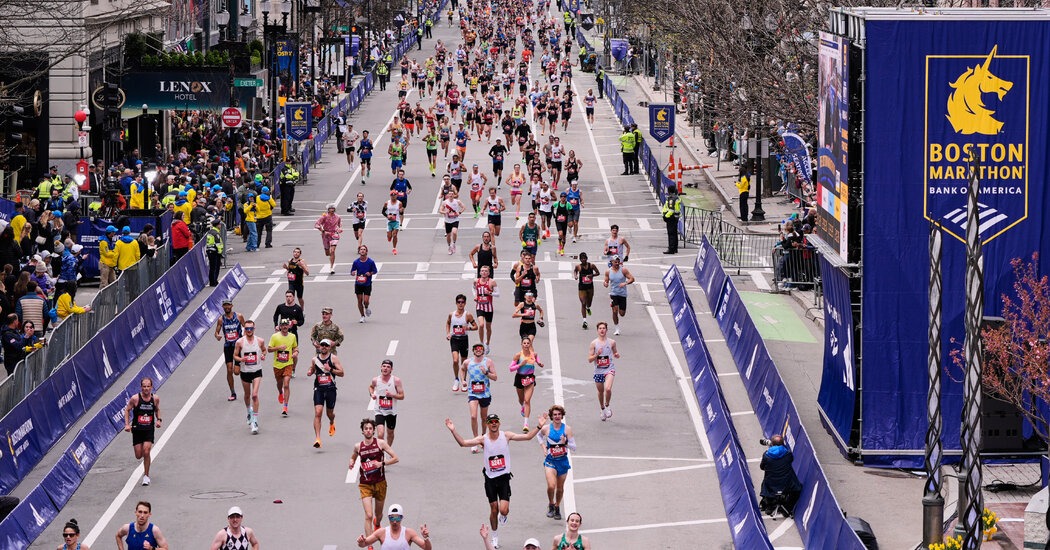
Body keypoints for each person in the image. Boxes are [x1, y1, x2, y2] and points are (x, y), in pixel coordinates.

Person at [445, 413, 547, 550]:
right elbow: (463, 443)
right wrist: (453, 431)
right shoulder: (483, 439)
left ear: (499, 423)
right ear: (487, 424)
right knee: (494, 509)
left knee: (503, 510)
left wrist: (539, 426)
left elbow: (527, 437)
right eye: (491, 422)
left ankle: (502, 515)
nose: (493, 424)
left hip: (504, 478)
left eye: (496, 421)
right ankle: (494, 537)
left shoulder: (506, 436)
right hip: (490, 479)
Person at [350, 418, 400, 542]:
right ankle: (369, 543)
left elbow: (396, 458)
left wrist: (382, 463)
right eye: (365, 429)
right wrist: (351, 462)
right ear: (362, 431)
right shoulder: (358, 446)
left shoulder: (380, 443)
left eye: (370, 429)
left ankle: (377, 524)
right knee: (369, 515)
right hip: (365, 484)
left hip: (380, 483)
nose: (368, 431)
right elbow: (353, 457)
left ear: (373, 431)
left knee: (378, 515)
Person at [538, 404, 576, 520]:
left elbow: (574, 447)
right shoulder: (546, 429)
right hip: (550, 461)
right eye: (555, 414)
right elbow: (539, 436)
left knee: (559, 488)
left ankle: (557, 506)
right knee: (551, 486)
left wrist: (565, 443)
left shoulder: (567, 429)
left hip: (563, 462)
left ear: (562, 415)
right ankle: (551, 504)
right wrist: (544, 447)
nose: (557, 416)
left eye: (559, 414)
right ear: (551, 416)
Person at [461, 343, 497, 452]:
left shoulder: (488, 362)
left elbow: (495, 377)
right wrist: (462, 380)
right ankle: (476, 440)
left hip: (485, 393)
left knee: (484, 418)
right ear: (473, 351)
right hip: (473, 393)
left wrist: (486, 372)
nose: (478, 350)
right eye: (476, 349)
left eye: (480, 349)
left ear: (483, 351)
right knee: (473, 416)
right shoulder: (468, 362)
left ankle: (483, 436)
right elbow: (462, 369)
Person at [124, 378, 161, 486]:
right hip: (137, 429)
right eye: (144, 386)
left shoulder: (155, 398)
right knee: (139, 455)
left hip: (149, 429)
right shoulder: (135, 399)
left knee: (146, 451)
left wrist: (159, 420)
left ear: (151, 387)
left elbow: (157, 409)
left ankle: (146, 476)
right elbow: (127, 410)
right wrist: (127, 424)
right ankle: (145, 472)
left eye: (148, 386)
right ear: (141, 387)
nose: (146, 389)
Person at [309, 339, 345, 447]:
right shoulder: (315, 359)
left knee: (329, 413)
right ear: (319, 346)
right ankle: (318, 439)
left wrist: (330, 369)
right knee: (318, 412)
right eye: (322, 345)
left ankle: (332, 421)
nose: (324, 347)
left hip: (330, 389)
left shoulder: (333, 358)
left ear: (329, 347)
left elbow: (342, 373)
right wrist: (310, 372)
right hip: (319, 389)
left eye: (326, 345)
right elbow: (312, 369)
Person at [233, 320, 266, 434]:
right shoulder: (240, 342)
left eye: (251, 328)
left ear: (254, 329)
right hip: (245, 371)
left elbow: (264, 350)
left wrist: (263, 355)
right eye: (247, 328)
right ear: (244, 329)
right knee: (247, 395)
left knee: (255, 395)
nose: (249, 330)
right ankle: (249, 411)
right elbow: (235, 356)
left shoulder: (260, 341)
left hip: (257, 371)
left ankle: (255, 420)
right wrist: (241, 359)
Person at [759, 435, 803, 517]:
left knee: (767, 480)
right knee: (798, 488)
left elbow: (762, 467)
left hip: (771, 485)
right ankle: (787, 507)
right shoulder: (788, 454)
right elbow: (790, 458)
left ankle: (769, 505)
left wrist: (768, 450)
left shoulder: (766, 455)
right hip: (786, 485)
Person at [355, 504, 431, 549]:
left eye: (397, 518)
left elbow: (427, 548)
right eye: (392, 518)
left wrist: (426, 538)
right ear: (388, 517)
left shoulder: (409, 533)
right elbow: (364, 544)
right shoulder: (381, 533)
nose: (395, 521)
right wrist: (361, 542)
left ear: (402, 518)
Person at [510, 335, 544, 432]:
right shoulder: (518, 355)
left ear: (530, 344)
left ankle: (526, 423)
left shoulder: (534, 354)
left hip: (530, 379)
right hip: (519, 378)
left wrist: (540, 364)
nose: (526, 345)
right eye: (524, 343)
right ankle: (522, 406)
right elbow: (510, 368)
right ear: (521, 344)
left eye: (528, 343)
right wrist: (520, 365)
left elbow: (538, 361)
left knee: (527, 400)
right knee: (521, 400)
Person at [214, 299, 245, 401]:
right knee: (229, 369)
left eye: (228, 305)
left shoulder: (239, 316)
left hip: (238, 346)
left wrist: (244, 336)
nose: (227, 307)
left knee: (236, 372)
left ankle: (246, 381)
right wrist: (217, 335)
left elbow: (246, 326)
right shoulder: (221, 319)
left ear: (232, 306)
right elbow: (216, 332)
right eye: (225, 306)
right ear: (223, 307)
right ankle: (233, 392)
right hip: (228, 346)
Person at [588, 322, 620, 420]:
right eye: (600, 328)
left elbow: (615, 352)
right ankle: (602, 409)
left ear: (606, 330)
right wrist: (597, 354)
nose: (602, 330)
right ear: (597, 330)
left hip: (609, 368)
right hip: (598, 370)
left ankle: (607, 405)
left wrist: (616, 355)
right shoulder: (594, 343)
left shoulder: (612, 342)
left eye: (603, 328)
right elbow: (590, 360)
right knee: (600, 391)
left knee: (608, 389)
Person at [447, 294, 479, 391]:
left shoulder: (468, 315)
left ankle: (463, 380)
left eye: (462, 302)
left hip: (464, 339)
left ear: (465, 303)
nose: (460, 304)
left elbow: (476, 326)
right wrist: (448, 333)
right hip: (454, 339)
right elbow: (448, 323)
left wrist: (468, 328)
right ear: (456, 303)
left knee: (464, 362)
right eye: (459, 302)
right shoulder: (451, 314)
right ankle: (456, 379)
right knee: (455, 360)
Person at [369, 359, 405, 444]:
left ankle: (388, 449)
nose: (385, 368)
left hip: (391, 412)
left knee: (390, 433)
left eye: (388, 367)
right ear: (381, 367)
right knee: (380, 434)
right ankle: (381, 452)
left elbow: (402, 396)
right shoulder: (375, 380)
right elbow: (371, 387)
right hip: (379, 410)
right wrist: (372, 394)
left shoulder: (396, 381)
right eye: (384, 366)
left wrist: (392, 395)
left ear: (391, 369)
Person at [268, 318, 298, 417]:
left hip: (288, 364)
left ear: (289, 326)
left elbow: (295, 347)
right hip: (277, 365)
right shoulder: (275, 337)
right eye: (283, 325)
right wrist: (278, 348)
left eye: (286, 325)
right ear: (280, 326)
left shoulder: (292, 336)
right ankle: (280, 392)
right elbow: (269, 349)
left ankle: (285, 406)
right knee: (279, 383)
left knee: (286, 384)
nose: (285, 327)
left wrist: (295, 353)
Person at [603, 256, 634, 334]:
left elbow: (632, 278)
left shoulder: (623, 270)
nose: (617, 263)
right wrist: (605, 283)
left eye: (618, 262)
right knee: (614, 310)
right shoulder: (608, 271)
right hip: (613, 293)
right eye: (615, 262)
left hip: (622, 294)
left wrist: (625, 283)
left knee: (622, 313)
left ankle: (618, 321)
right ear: (612, 262)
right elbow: (605, 281)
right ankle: (617, 329)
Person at [351, 245, 378, 323]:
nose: (362, 251)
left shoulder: (370, 262)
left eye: (364, 249)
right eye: (361, 249)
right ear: (359, 251)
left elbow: (375, 271)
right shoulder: (356, 262)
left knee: (365, 301)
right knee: (359, 300)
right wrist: (353, 273)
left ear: (366, 252)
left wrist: (370, 273)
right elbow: (352, 271)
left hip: (367, 283)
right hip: (358, 283)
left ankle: (366, 307)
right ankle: (362, 316)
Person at [573, 253, 600, 329]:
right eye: (582, 258)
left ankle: (588, 308)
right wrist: (575, 276)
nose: (583, 260)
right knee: (583, 303)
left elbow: (598, 273)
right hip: (582, 287)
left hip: (590, 287)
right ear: (580, 259)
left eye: (585, 258)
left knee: (589, 303)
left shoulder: (592, 266)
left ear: (587, 258)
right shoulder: (578, 266)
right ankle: (585, 321)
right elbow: (575, 271)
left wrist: (592, 275)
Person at [314, 203, 343, 273]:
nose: (332, 210)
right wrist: (323, 231)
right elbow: (317, 224)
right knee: (327, 253)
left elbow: (339, 224)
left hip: (334, 234)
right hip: (326, 235)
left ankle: (331, 267)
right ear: (328, 210)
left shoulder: (338, 217)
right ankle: (331, 257)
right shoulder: (324, 217)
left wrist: (341, 228)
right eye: (330, 209)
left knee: (332, 250)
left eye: (333, 209)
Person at [440, 189, 466, 254]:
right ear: (448, 195)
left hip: (455, 219)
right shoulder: (445, 202)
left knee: (454, 232)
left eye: (452, 194)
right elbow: (440, 211)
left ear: (454, 195)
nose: (451, 195)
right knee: (448, 235)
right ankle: (449, 247)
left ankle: (454, 244)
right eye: (450, 194)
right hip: (447, 221)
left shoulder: (457, 201)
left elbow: (464, 207)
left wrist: (459, 212)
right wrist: (445, 212)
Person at [662, 187, 682, 254]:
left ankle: (671, 249)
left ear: (669, 191)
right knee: (674, 233)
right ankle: (675, 248)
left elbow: (671, 209)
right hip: (675, 217)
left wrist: (666, 216)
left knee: (671, 234)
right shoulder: (676, 197)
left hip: (671, 217)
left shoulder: (671, 198)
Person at [206, 218, 224, 286]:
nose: (220, 226)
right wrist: (220, 252)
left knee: (212, 267)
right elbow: (218, 244)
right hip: (215, 252)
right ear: (217, 225)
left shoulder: (210, 231)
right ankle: (214, 281)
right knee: (216, 267)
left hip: (209, 251)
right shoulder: (216, 233)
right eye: (219, 224)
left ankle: (212, 281)